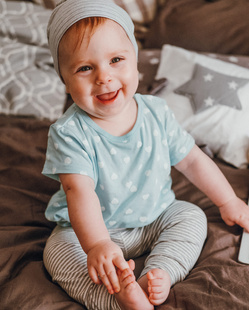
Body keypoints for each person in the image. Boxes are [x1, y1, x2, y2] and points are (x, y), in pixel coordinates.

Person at [42, 0, 249, 309]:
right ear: (65, 81)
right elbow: (78, 191)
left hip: (154, 216)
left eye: (116, 59)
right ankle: (116, 299)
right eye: (85, 68)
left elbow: (192, 159)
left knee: (190, 216)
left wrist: (228, 201)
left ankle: (159, 272)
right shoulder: (69, 132)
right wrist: (98, 244)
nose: (104, 77)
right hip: (87, 231)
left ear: (135, 61)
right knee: (57, 253)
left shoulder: (156, 112)